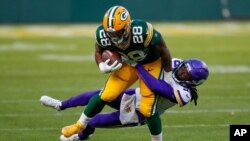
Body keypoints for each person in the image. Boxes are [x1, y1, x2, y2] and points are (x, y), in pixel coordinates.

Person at [59, 5, 173, 139]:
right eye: (110, 33)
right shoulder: (102, 34)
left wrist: (168, 76)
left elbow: (164, 51)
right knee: (106, 94)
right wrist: (101, 64)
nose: (114, 36)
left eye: (118, 32)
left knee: (147, 109)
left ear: (127, 27)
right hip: (128, 64)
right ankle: (79, 125)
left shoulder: (142, 31)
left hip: (150, 64)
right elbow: (98, 51)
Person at [40, 58, 209, 141]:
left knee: (93, 122)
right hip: (134, 95)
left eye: (186, 74)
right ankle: (61, 105)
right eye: (184, 68)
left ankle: (80, 137)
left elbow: (156, 86)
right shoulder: (175, 63)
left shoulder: (186, 93)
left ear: (193, 81)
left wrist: (137, 66)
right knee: (100, 95)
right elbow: (152, 60)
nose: (182, 72)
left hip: (140, 112)